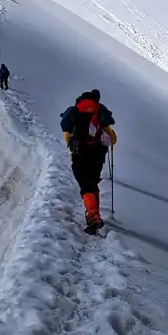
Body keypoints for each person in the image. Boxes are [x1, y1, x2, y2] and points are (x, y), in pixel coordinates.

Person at [60, 89, 117, 234]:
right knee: (92, 182)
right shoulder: (100, 110)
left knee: (85, 185)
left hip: (79, 153)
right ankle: (94, 213)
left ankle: (93, 216)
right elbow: (112, 138)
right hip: (97, 154)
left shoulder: (74, 111)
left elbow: (65, 130)